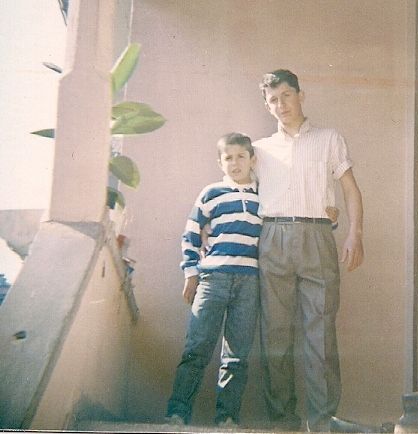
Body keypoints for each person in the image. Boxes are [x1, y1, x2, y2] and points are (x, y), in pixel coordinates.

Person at [254, 69, 365, 432]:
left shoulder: (329, 138)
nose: (281, 104)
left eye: (286, 95)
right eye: (273, 100)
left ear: (301, 95)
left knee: (321, 331)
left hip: (317, 236)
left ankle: (322, 421)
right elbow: (237, 189)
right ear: (267, 106)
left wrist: (354, 232)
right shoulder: (259, 150)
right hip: (273, 237)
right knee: (275, 332)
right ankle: (281, 421)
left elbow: (349, 188)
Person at [165, 132, 262, 428]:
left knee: (237, 355)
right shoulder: (212, 193)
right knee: (197, 347)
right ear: (220, 162)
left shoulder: (265, 194)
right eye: (228, 158)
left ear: (252, 160)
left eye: (241, 156)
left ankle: (227, 418)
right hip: (213, 279)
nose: (235, 163)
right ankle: (177, 413)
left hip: (249, 282)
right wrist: (191, 273)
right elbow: (191, 234)